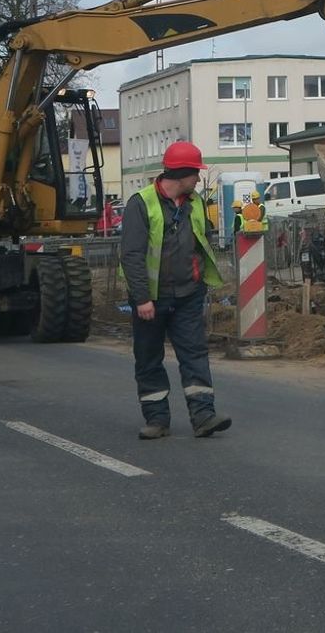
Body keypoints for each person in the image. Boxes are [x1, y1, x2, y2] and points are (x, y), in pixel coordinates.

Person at [120, 141, 231, 440]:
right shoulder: (141, 203)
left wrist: (199, 281)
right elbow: (132, 255)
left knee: (194, 353)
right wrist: (142, 298)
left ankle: (204, 416)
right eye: (196, 172)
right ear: (182, 174)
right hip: (151, 299)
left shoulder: (195, 203)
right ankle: (157, 420)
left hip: (188, 294)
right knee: (148, 358)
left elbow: (202, 241)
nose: (198, 178)